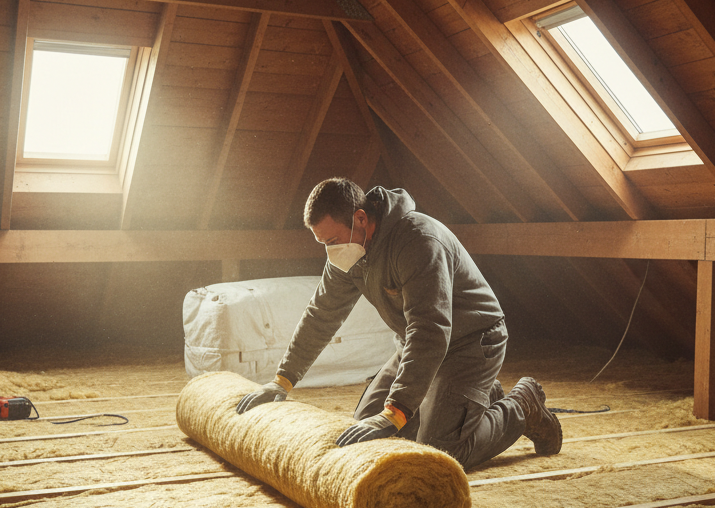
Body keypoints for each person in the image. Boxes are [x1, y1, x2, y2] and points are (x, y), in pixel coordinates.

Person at [236, 179, 562, 469]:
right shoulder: (349, 251)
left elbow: (430, 328)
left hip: (471, 342)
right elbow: (321, 314)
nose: (330, 251)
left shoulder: (417, 241)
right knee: (364, 431)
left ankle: (523, 404)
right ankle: (477, 396)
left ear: (361, 218)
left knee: (438, 450)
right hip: (417, 344)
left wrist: (396, 411)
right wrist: (282, 381)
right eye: (323, 243)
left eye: (333, 239)